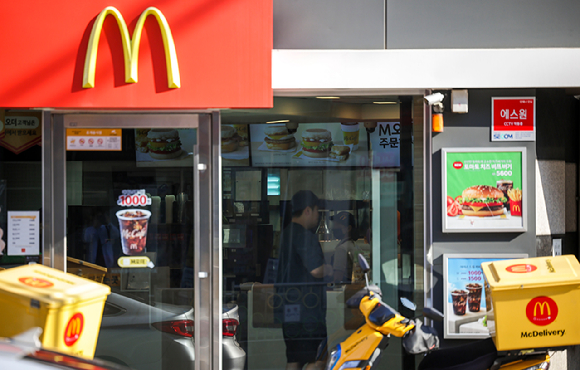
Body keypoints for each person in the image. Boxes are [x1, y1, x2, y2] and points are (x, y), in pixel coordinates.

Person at [276, 190, 333, 370]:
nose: (318, 217)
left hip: (289, 307)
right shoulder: (304, 235)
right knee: (319, 358)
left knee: (295, 358)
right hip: (307, 309)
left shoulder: (286, 233)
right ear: (308, 210)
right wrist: (332, 269)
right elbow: (316, 270)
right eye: (317, 211)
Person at [330, 211, 358, 284]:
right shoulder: (352, 244)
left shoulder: (342, 249)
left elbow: (338, 277)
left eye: (337, 225)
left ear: (348, 228)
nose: (334, 228)